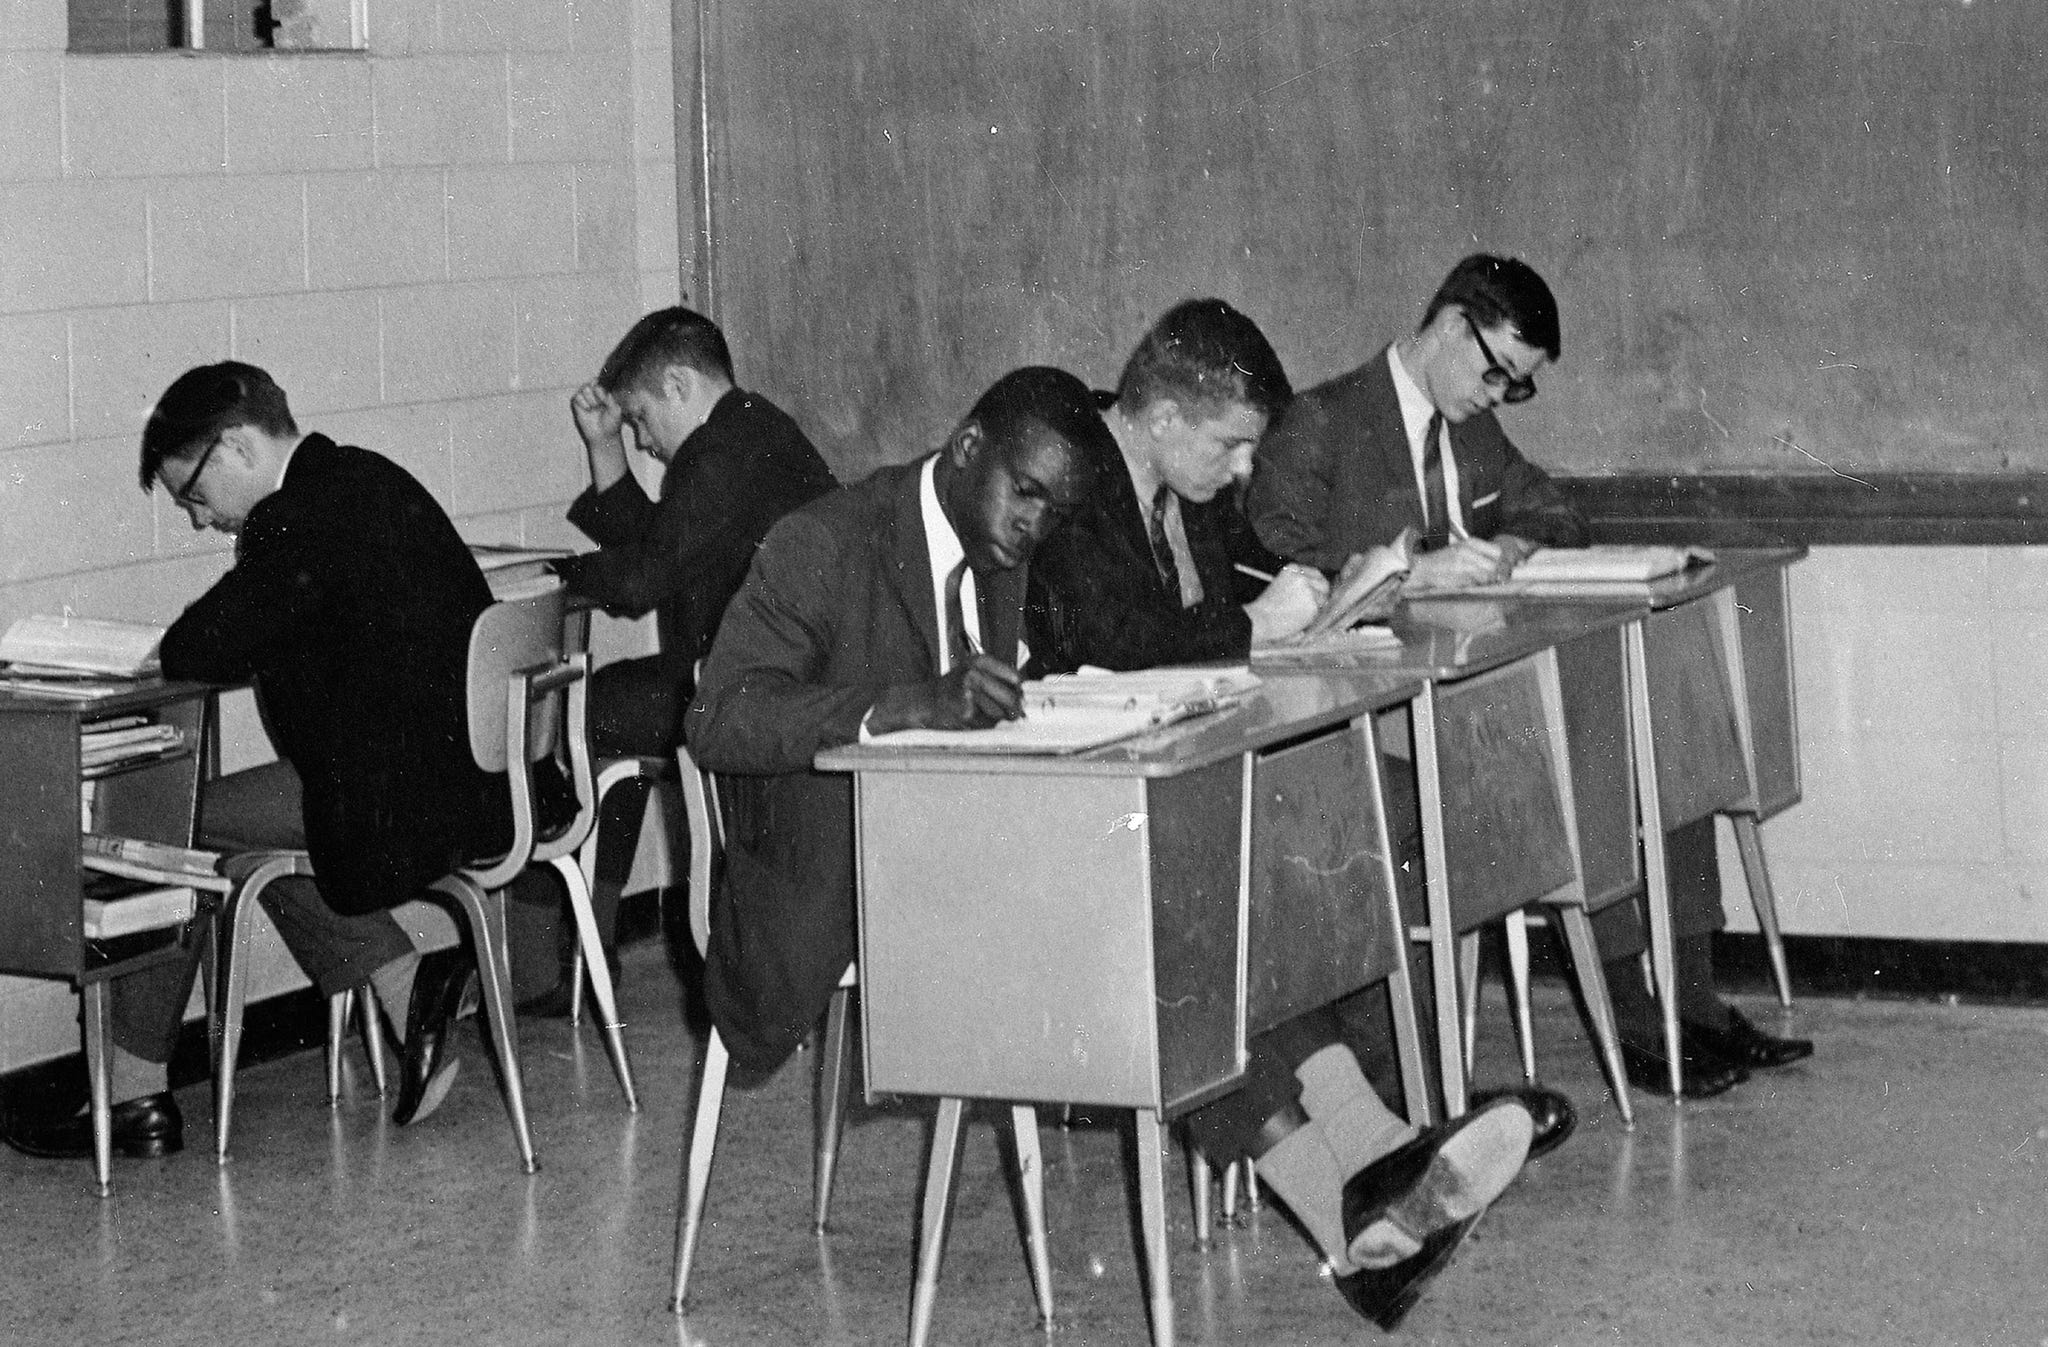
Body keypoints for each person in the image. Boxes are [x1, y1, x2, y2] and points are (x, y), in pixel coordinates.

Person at [1024, 299, 1546, 1329]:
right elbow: (1110, 642)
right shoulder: (1071, 491)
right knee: (1200, 933)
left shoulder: (1185, 493)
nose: (1238, 474)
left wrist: (1330, 598)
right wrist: (1245, 626)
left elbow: (1212, 616)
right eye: (1228, 447)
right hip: (1075, 829)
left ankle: (1376, 1163)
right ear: (1164, 418)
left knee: (1271, 890)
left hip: (1172, 802)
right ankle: (1356, 1186)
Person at [1246, 254, 1813, 1097]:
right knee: (1590, 760)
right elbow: (1267, 569)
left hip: (1476, 693)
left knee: (1658, 738)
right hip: (1377, 713)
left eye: (1517, 385)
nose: (1496, 394)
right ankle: (1635, 1021)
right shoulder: (1323, 421)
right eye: (1497, 371)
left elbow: (1554, 511)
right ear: (1447, 326)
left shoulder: (1469, 428)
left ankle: (1690, 1003)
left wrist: (1510, 546)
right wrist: (1412, 572)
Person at [4, 362, 509, 1163]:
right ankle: (407, 990)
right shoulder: (368, 476)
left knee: (170, 822)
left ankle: (133, 1094)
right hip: (469, 783)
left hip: (389, 795)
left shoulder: (292, 518)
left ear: (236, 445)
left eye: (195, 496)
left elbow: (200, 644)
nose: (202, 521)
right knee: (236, 840)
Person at [521, 307, 836, 1015]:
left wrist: (555, 573)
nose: (643, 440)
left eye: (638, 418)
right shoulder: (753, 432)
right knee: (613, 717)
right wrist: (605, 449)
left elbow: (637, 581)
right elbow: (662, 546)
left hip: (751, 694)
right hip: (788, 685)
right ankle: (579, 950)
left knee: (577, 710)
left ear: (677, 383)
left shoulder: (720, 456)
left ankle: (555, 960)